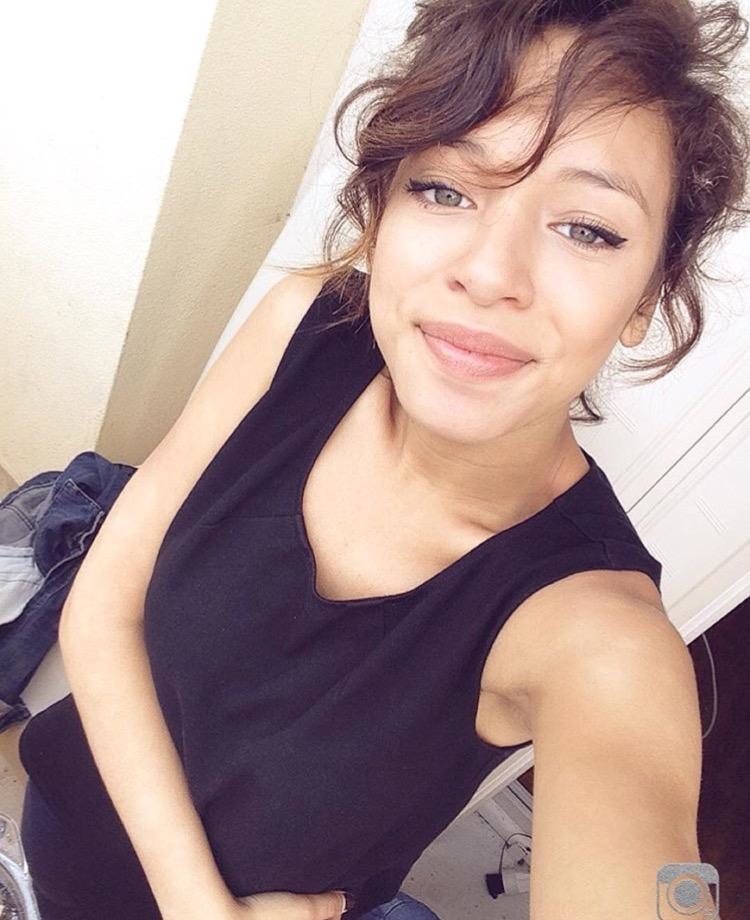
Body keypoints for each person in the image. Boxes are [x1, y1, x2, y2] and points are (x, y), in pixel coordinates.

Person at [18, 1, 749, 918]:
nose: (490, 272)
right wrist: (198, 905)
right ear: (381, 207)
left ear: (647, 297)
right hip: (64, 821)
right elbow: (103, 603)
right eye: (444, 190)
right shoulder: (305, 324)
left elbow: (664, 886)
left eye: (587, 228)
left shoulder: (603, 642)